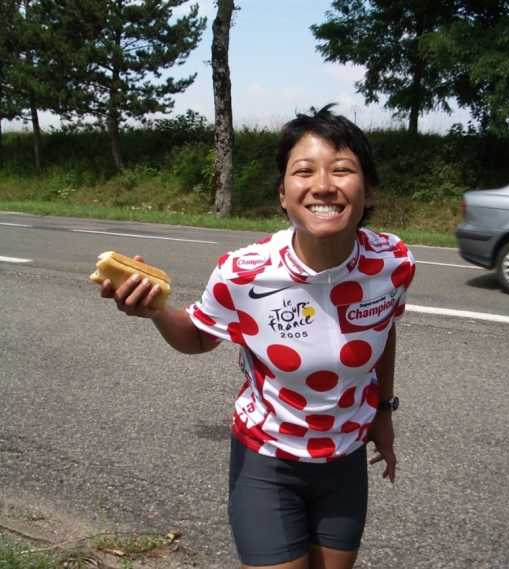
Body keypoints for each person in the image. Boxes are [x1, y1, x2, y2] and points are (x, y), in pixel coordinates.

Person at [99, 104, 416, 569]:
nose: (324, 185)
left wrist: (382, 414)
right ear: (284, 196)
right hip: (266, 460)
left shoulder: (392, 263)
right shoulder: (246, 272)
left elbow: (384, 330)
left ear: (367, 191)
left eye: (343, 170)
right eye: (303, 171)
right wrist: (156, 312)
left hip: (345, 460)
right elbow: (198, 336)